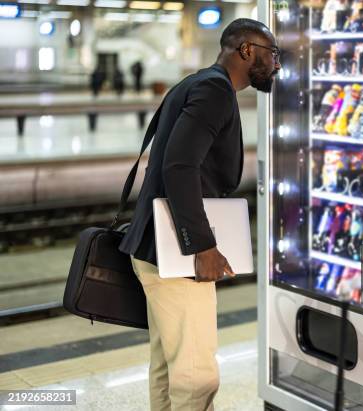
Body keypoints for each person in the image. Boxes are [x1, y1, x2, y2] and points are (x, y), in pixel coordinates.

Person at [118, 18, 280, 410]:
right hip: (175, 252)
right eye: (272, 55)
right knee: (197, 377)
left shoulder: (197, 82)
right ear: (246, 50)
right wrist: (202, 245)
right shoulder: (214, 90)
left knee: (170, 365)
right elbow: (179, 167)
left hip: (158, 247)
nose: (276, 65)